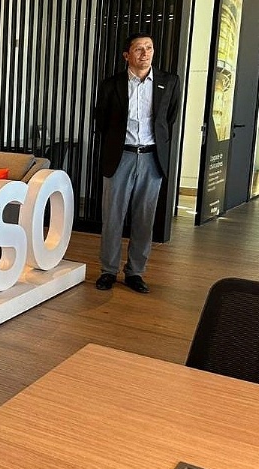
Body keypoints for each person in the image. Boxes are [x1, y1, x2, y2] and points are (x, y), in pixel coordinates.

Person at [94, 32, 179, 294]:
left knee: (144, 218)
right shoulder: (111, 84)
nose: (145, 53)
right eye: (139, 49)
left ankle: (135, 272)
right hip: (120, 157)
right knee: (113, 217)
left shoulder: (169, 82)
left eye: (149, 48)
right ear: (126, 55)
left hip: (152, 158)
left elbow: (169, 118)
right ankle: (108, 270)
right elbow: (102, 120)